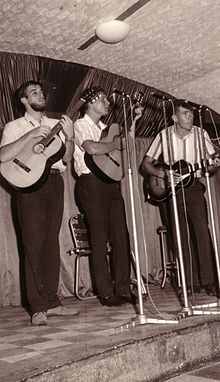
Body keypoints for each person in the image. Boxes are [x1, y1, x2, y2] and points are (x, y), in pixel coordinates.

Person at [0, 80, 79, 325]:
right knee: (33, 244)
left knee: (51, 243)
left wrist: (70, 137)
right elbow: (3, 155)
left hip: (54, 181)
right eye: (34, 92)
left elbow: (65, 158)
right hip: (28, 185)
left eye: (41, 91)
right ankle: (37, 307)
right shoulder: (15, 126)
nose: (41, 94)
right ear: (24, 100)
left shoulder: (55, 124)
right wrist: (30, 135)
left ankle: (52, 301)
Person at [141, 99, 219, 297]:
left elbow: (211, 164)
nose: (190, 117)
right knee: (179, 235)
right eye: (185, 114)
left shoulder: (202, 135)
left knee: (202, 230)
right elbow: (146, 164)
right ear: (174, 117)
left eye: (191, 114)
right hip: (170, 191)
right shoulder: (163, 136)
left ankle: (210, 281)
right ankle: (188, 283)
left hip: (193, 188)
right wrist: (163, 175)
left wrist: (213, 164)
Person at [73, 85, 133, 307]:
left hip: (110, 183)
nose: (107, 103)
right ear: (90, 102)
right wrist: (115, 144)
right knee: (99, 237)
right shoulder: (80, 125)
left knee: (120, 235)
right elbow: (91, 148)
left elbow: (113, 152)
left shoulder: (107, 127)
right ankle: (106, 292)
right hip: (91, 184)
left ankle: (124, 289)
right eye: (103, 100)